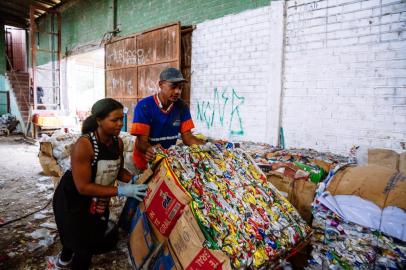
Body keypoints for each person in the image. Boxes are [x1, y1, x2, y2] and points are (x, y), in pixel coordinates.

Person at [53, 98, 148, 270]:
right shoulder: (85, 145)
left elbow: (116, 169)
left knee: (86, 236)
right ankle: (65, 260)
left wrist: (135, 180)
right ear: (99, 120)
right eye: (114, 120)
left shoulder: (117, 142)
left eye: (122, 119)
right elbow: (83, 187)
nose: (120, 124)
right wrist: (121, 190)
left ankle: (64, 259)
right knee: (82, 245)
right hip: (73, 199)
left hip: (97, 199)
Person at [131, 67, 205, 170]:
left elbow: (187, 137)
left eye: (180, 87)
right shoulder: (144, 106)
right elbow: (141, 142)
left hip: (166, 161)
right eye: (173, 86)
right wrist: (149, 149)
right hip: (146, 162)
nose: (177, 91)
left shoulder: (182, 107)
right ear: (161, 85)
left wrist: (208, 146)